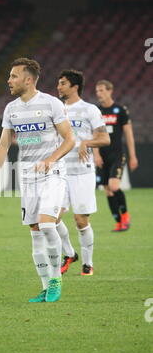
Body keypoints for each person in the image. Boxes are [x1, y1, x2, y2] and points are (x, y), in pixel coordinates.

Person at [0, 58, 75, 303]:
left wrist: (51, 159)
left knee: (47, 225)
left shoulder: (51, 103)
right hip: (28, 177)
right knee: (35, 232)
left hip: (53, 174)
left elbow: (70, 139)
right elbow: (3, 144)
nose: (9, 80)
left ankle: (56, 279)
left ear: (28, 79)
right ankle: (45, 287)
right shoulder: (11, 109)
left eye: (14, 76)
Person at [55, 69, 110, 276]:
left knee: (81, 220)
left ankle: (87, 263)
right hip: (59, 172)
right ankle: (69, 253)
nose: (58, 87)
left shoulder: (89, 110)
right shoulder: (56, 109)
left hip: (82, 173)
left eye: (62, 83)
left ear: (74, 86)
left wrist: (87, 142)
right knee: (52, 217)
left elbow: (105, 139)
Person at [94, 80, 139, 232]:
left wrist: (133, 156)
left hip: (117, 155)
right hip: (102, 156)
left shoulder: (120, 110)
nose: (99, 93)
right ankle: (118, 222)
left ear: (110, 90)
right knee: (107, 189)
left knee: (114, 186)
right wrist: (96, 154)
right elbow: (94, 135)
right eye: (97, 91)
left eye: (101, 90)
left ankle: (125, 215)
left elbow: (129, 134)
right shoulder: (97, 111)